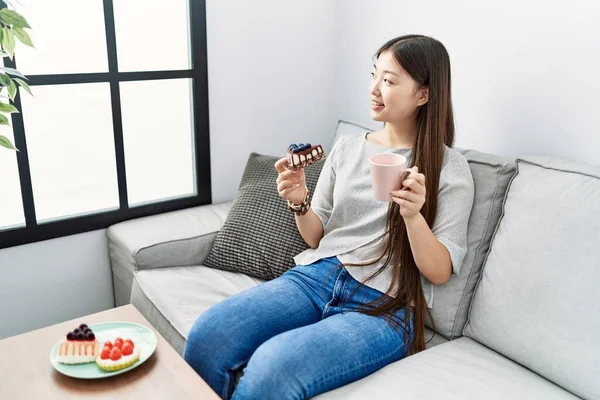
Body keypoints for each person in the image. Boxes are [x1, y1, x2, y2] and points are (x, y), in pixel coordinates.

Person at [183, 34, 475, 400]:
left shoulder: (449, 168)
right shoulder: (348, 147)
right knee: (211, 332)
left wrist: (414, 216)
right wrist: (298, 200)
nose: (373, 89)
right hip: (316, 276)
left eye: (388, 80)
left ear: (423, 94)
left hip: (385, 307)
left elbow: (439, 272)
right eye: (374, 74)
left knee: (274, 368)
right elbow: (316, 237)